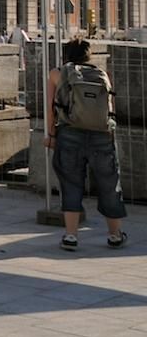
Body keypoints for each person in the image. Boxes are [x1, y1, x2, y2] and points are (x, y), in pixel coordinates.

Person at [46, 38, 128, 251]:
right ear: (89, 55)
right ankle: (115, 235)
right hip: (101, 135)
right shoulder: (102, 75)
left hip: (69, 133)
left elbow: (51, 109)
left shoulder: (57, 73)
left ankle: (71, 236)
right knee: (109, 184)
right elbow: (109, 109)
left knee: (71, 183)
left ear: (67, 54)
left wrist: (51, 135)